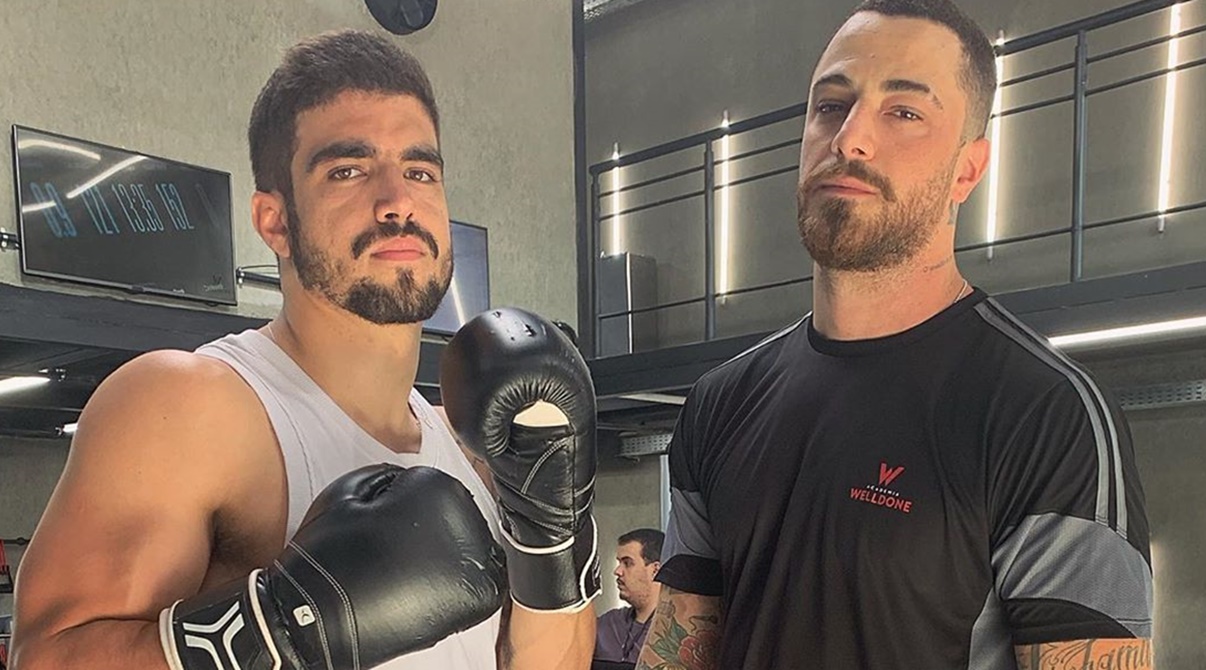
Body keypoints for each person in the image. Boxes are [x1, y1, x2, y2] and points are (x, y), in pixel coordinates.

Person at [11, 30, 598, 670]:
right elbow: (46, 658)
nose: (398, 200)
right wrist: (280, 630)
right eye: (348, 170)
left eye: (420, 171)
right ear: (275, 221)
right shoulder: (185, 406)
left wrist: (551, 543)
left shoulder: (470, 450)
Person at [638, 1, 1154, 669]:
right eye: (830, 105)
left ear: (967, 170)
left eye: (904, 112)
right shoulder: (720, 401)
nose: (850, 138)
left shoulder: (1047, 417)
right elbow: (681, 649)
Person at [594, 529, 663, 665]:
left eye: (627, 563)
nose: (617, 571)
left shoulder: (671, 630)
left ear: (655, 570)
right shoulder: (609, 623)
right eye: (619, 563)